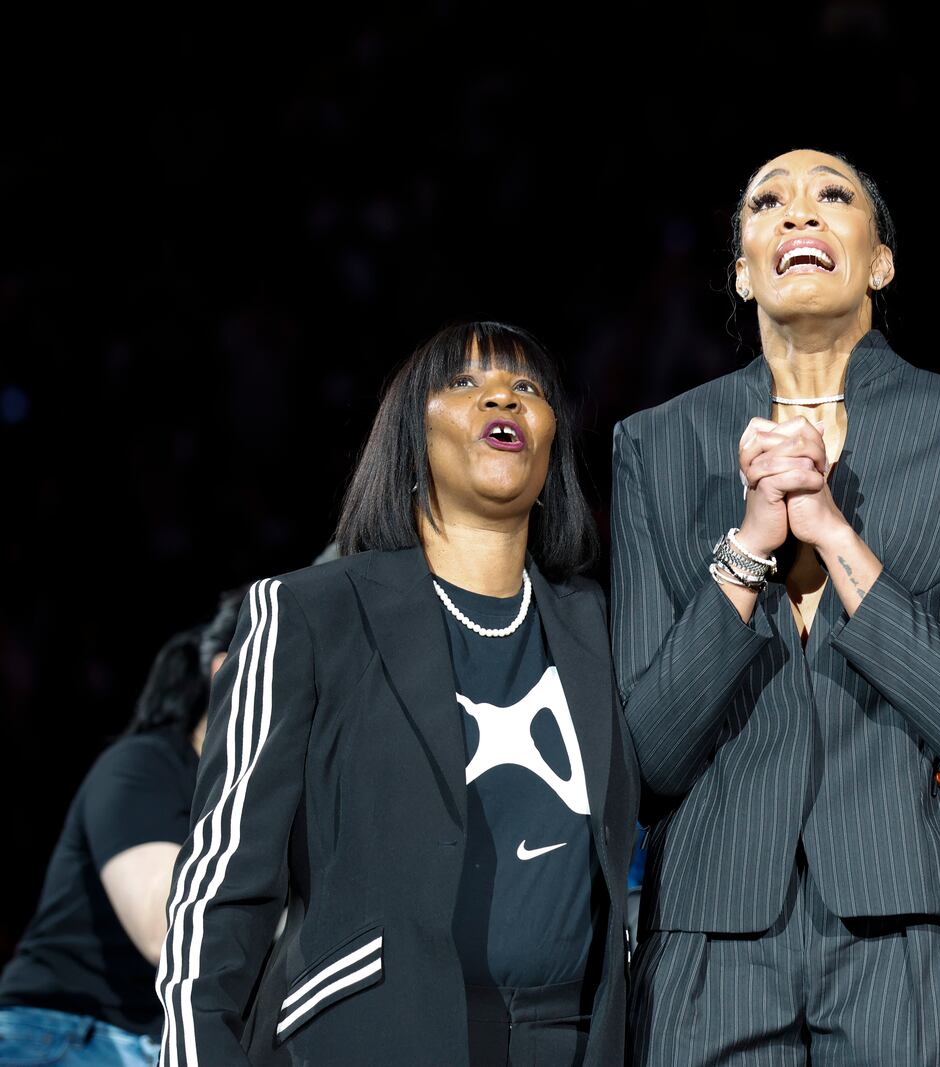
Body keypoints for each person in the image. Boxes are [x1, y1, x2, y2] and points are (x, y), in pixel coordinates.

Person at [613, 148, 940, 1065]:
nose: (799, 213)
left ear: (880, 261)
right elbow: (646, 749)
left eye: (832, 197)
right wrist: (753, 542)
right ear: (741, 266)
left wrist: (836, 536)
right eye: (769, 203)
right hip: (710, 934)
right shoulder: (654, 444)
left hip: (920, 920)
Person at [155, 322, 638, 1067]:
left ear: (552, 452)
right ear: (411, 442)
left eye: (528, 388)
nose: (501, 395)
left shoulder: (598, 627)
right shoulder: (308, 613)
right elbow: (220, 892)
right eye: (463, 383)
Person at [0, 585, 241, 1067]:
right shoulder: (141, 766)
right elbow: (167, 931)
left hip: (156, 1042)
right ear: (225, 671)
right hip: (64, 1033)